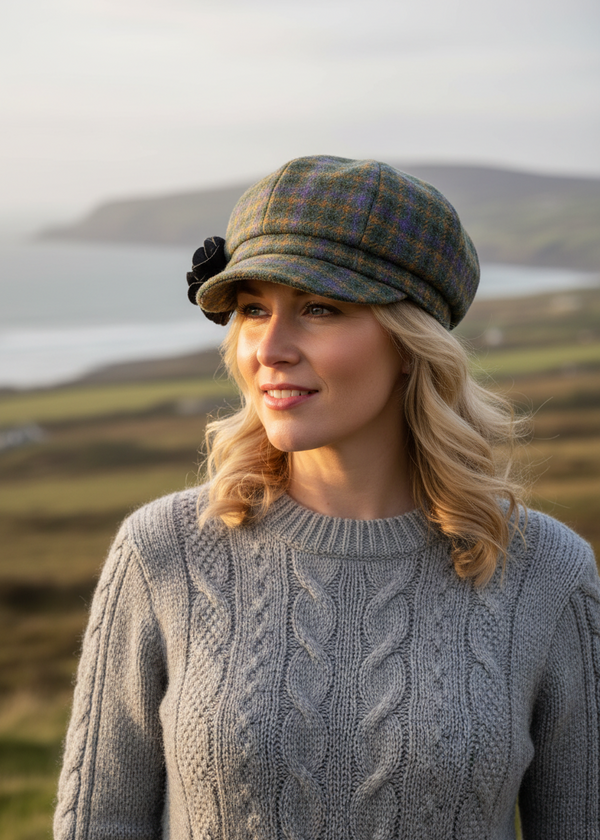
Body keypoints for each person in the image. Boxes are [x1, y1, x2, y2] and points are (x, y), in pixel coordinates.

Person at [54, 156, 600, 839]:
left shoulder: (547, 573)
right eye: (253, 309)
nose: (271, 347)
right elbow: (99, 823)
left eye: (319, 308)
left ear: (410, 340)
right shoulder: (163, 552)